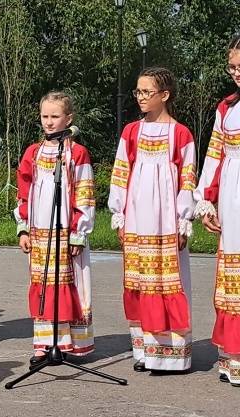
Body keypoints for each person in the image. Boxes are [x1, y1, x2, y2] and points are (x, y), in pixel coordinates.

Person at [108, 66, 196, 373]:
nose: (141, 97)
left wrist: (184, 220)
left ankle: (170, 354)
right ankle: (144, 350)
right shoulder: (131, 132)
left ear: (165, 95)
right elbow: (120, 173)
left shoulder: (180, 133)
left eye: (147, 92)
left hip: (166, 221)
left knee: (165, 282)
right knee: (140, 283)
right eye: (138, 91)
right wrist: (119, 215)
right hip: (137, 219)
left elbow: (188, 179)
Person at [15, 92, 95, 365]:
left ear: (68, 119)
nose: (48, 122)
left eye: (55, 116)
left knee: (66, 284)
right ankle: (44, 343)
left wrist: (78, 232)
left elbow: (84, 192)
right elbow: (24, 191)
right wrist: (23, 228)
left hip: (65, 230)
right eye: (44, 116)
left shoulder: (77, 153)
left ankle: (68, 343)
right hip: (39, 229)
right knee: (42, 285)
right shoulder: (33, 152)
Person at [195, 34, 240, 386]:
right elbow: (215, 156)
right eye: (232, 67)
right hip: (232, 194)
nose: (236, 72)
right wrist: (206, 201)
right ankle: (234, 355)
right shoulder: (226, 108)